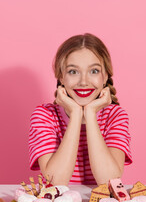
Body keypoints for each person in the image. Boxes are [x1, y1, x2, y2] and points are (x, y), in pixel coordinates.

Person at [29, 33, 132, 185]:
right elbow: (56, 182)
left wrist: (89, 114)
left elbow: (109, 181)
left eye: (94, 71)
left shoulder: (116, 116)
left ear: (105, 77)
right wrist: (76, 114)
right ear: (61, 77)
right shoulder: (44, 116)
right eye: (73, 72)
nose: (83, 82)